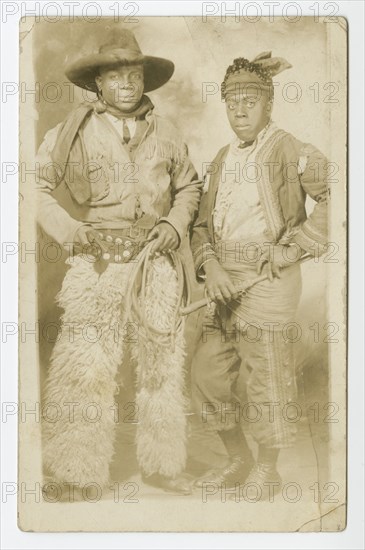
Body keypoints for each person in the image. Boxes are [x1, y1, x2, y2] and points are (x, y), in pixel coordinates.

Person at [37, 28, 202, 496]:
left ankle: (163, 465)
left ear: (144, 80)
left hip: (155, 264)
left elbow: (189, 186)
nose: (127, 83)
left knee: (162, 367)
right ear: (98, 83)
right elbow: (32, 187)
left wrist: (173, 224)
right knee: (85, 368)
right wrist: (71, 231)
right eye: (116, 75)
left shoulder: (167, 132)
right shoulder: (70, 132)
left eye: (134, 73)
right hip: (97, 266)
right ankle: (75, 473)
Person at [190, 52, 329, 492]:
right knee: (207, 374)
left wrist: (292, 250)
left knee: (266, 376)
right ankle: (237, 460)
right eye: (233, 103)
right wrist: (210, 267)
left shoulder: (290, 148)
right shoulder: (220, 157)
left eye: (251, 100)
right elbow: (199, 225)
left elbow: (343, 194)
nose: (241, 110)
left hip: (268, 279)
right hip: (223, 280)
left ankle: (267, 469)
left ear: (269, 103)